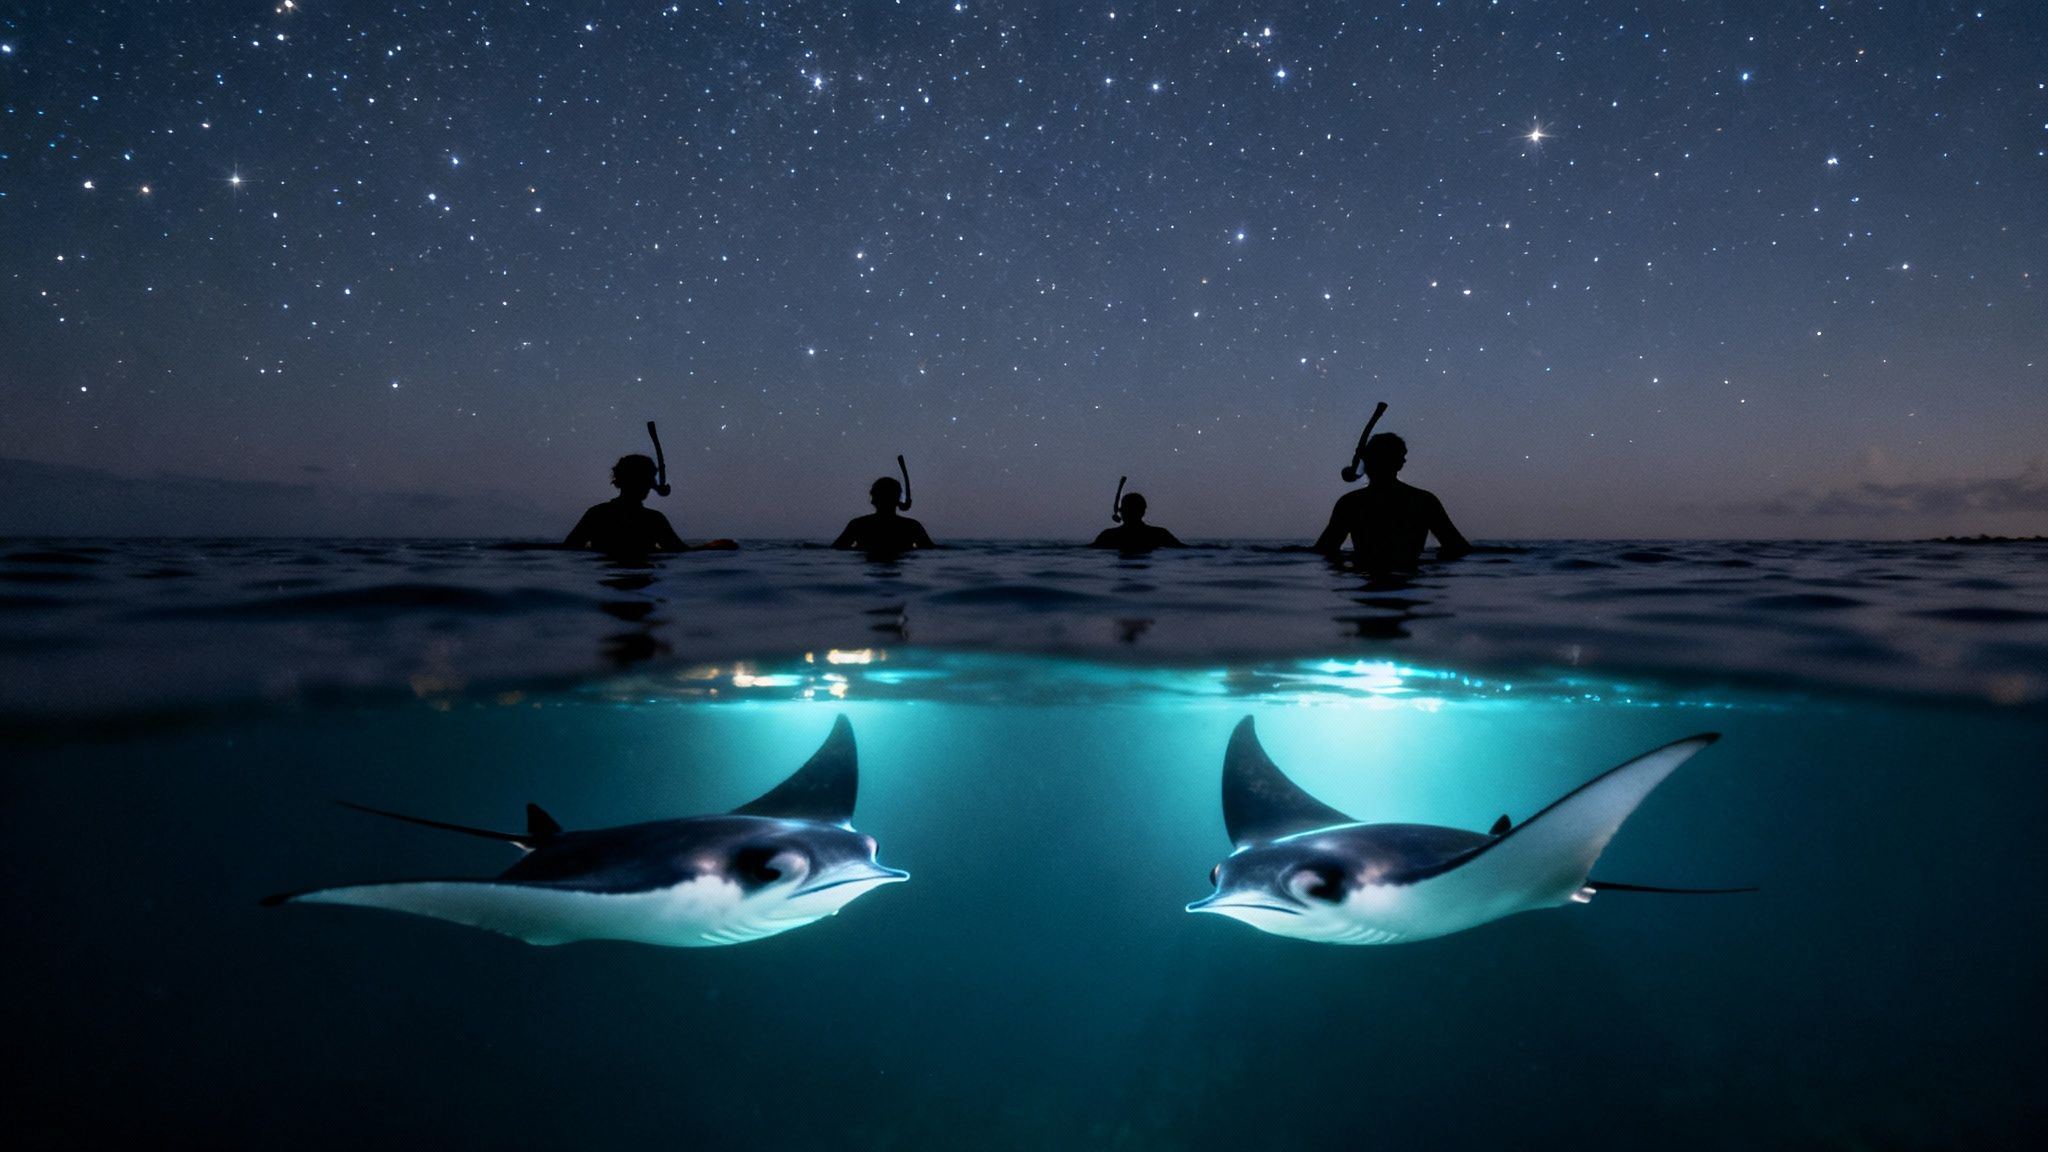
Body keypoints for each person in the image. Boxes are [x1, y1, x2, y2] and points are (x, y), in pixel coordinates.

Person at [1313, 433, 1471, 571]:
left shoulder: (1350, 503)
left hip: (1365, 578)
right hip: (1410, 578)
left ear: (1366, 461)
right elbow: (1457, 546)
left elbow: (1325, 549)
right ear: (1401, 462)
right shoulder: (1424, 500)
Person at [563, 454, 735, 554]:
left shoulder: (597, 514)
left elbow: (569, 548)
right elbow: (679, 552)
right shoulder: (653, 520)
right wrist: (710, 547)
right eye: (647, 479)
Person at [832, 476, 935, 553]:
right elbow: (930, 549)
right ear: (897, 500)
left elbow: (837, 548)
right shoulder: (912, 526)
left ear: (874, 500)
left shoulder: (858, 525)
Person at [1090, 492, 1185, 552]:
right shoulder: (1160, 534)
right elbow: (1182, 548)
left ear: (1121, 512)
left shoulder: (1109, 535)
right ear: (1143, 511)